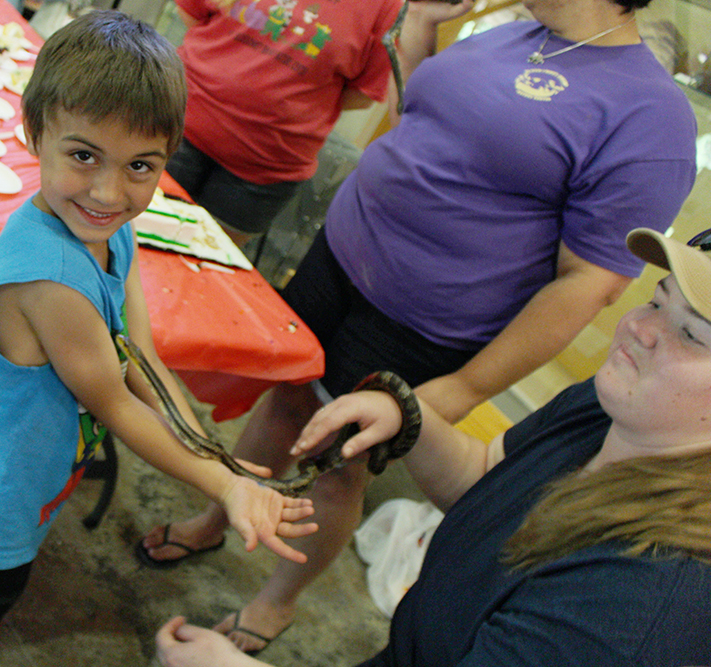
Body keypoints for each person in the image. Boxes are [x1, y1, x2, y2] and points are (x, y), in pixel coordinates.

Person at [138, 0, 699, 652]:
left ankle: (276, 601)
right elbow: (420, 120)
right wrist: (424, 28)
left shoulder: (649, 117)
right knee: (287, 394)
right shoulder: (517, 33)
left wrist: (458, 391)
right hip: (342, 255)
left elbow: (588, 283)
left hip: (427, 319)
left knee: (341, 465)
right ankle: (220, 512)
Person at [0, 12, 317, 667]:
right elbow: (120, 404)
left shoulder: (108, 233)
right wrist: (222, 485)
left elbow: (145, 364)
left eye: (140, 166)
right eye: (83, 155)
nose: (109, 190)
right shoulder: (54, 279)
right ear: (34, 132)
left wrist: (226, 462)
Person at [155, 225, 711, 666]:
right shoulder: (613, 407)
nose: (641, 329)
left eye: (691, 334)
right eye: (657, 302)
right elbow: (489, 479)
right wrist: (405, 416)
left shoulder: (638, 610)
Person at [163, 0, 411, 248]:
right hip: (174, 127)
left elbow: (362, 94)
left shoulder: (388, 7)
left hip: (264, 170)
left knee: (201, 267)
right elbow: (191, 12)